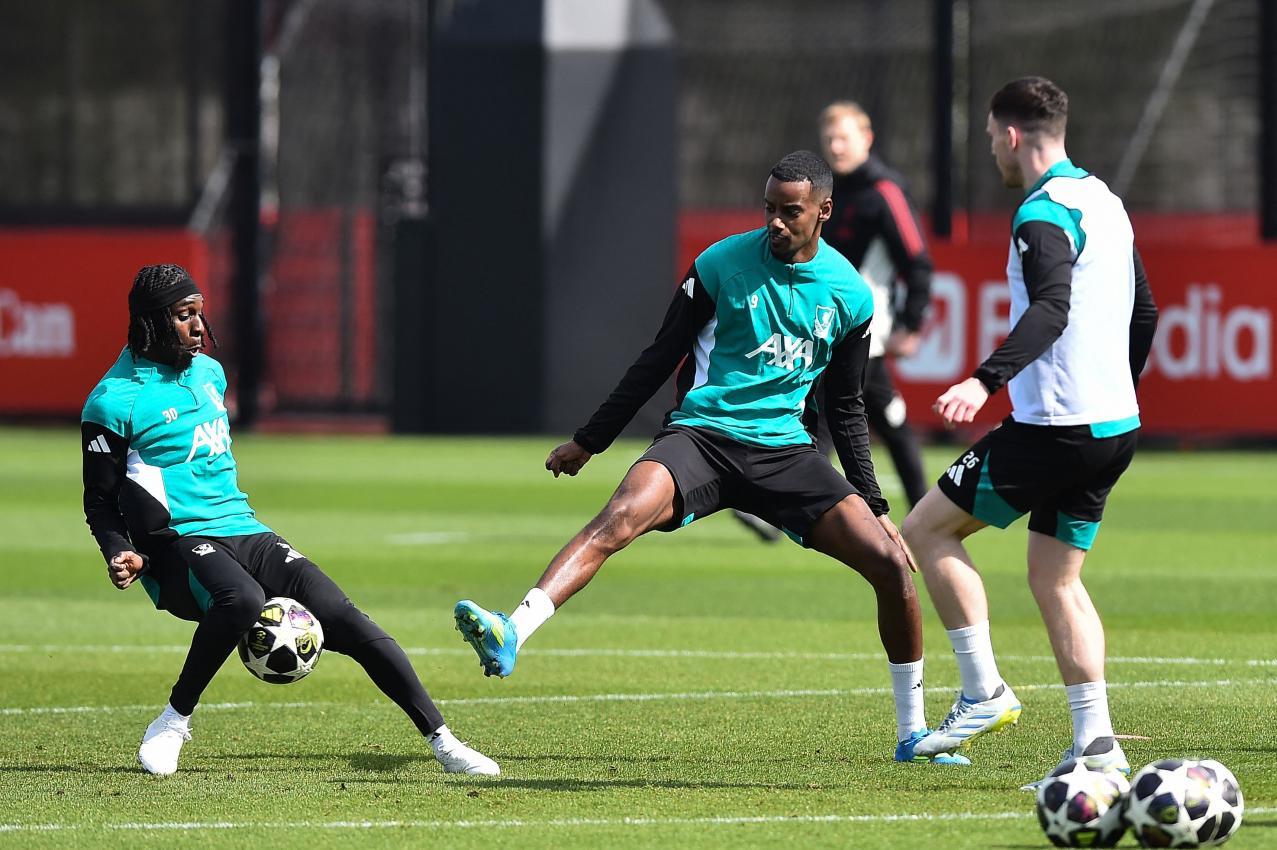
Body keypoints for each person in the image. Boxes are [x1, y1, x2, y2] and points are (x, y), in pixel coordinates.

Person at [453, 151, 969, 765]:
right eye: (769, 208)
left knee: (892, 566)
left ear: (824, 211)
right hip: (701, 439)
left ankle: (913, 734)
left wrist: (876, 506)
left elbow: (847, 407)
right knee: (617, 518)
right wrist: (590, 440)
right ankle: (512, 631)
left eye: (790, 211)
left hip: (785, 453)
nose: (775, 222)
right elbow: (658, 357)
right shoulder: (719, 265)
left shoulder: (851, 296)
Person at [81, 264, 499, 777]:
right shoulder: (113, 401)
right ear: (151, 321)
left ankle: (444, 741)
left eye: (200, 313)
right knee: (243, 600)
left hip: (244, 528)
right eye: (184, 315)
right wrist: (119, 550)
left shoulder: (209, 373)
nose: (198, 325)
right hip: (177, 546)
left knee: (346, 617)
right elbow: (99, 500)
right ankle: (172, 722)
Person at [900, 77, 1159, 777]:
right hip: (1112, 425)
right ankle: (1096, 744)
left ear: (1012, 135)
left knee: (925, 530)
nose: (993, 151)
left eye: (991, 138)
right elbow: (1146, 311)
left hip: (1054, 427)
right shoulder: (1104, 200)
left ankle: (982, 690)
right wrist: (1118, 390)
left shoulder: (1041, 213)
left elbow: (1050, 308)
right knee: (1056, 578)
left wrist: (981, 381)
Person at [730, 102, 934, 541]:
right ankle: (926, 514)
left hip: (865, 323)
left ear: (867, 139)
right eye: (830, 139)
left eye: (844, 138)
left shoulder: (884, 192)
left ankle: (777, 512)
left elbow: (917, 260)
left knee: (826, 412)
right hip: (825, 321)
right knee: (886, 416)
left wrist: (912, 322)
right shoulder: (821, 192)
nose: (836, 147)